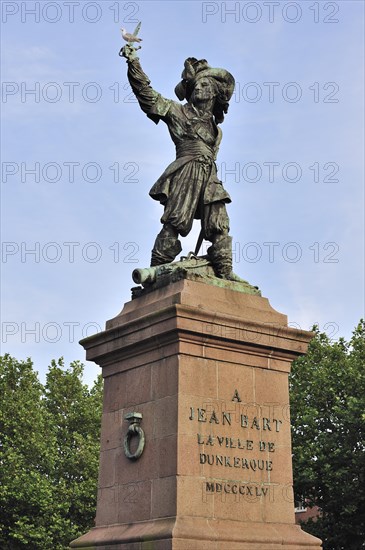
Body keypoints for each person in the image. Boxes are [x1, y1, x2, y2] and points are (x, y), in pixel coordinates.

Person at [121, 46, 240, 280]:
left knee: (219, 223)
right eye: (196, 83)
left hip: (209, 175)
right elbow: (146, 94)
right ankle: (152, 276)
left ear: (215, 93)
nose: (198, 86)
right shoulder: (178, 112)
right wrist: (133, 62)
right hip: (186, 171)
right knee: (174, 223)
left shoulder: (218, 131)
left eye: (205, 84)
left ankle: (225, 272)